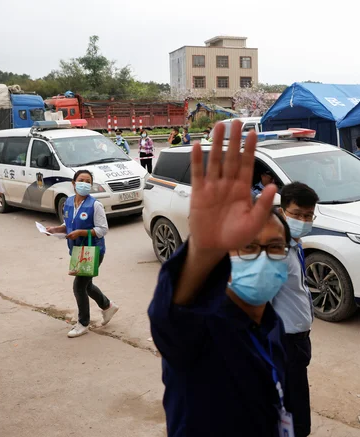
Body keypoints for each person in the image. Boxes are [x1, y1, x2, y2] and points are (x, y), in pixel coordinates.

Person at [148, 120, 296, 436]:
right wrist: (202, 251)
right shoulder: (202, 328)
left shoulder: (273, 326)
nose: (263, 257)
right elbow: (171, 320)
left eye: (274, 247)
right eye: (248, 247)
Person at [46, 170, 119, 338]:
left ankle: (83, 323)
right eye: (81, 180)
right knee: (86, 285)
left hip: (92, 251)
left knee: (79, 286)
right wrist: (55, 229)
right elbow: (68, 223)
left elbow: (102, 229)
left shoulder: (95, 205)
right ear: (73, 183)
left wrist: (81, 232)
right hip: (77, 251)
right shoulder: (69, 202)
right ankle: (108, 306)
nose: (84, 183)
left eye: (88, 181)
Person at [274, 181, 319, 437]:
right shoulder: (275, 251)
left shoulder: (294, 243)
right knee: (291, 412)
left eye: (308, 215)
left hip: (299, 340)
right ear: (282, 212)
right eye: (297, 214)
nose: (303, 220)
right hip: (284, 343)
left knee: (296, 405)